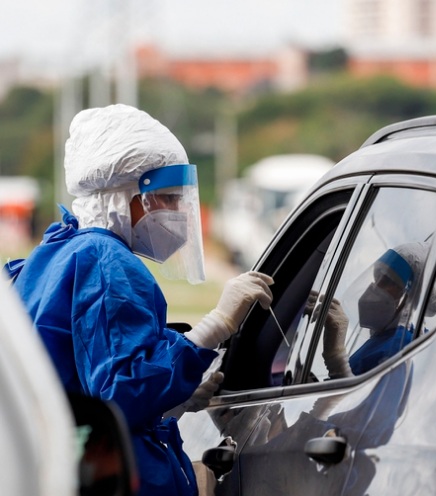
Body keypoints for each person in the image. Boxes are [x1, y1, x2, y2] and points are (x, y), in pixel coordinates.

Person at [4, 104, 273, 496]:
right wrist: (212, 328)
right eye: (165, 198)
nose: (179, 212)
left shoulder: (59, 251)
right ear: (123, 195)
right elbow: (122, 391)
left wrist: (174, 402)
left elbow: (85, 379)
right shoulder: (105, 260)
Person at [316, 241, 436, 378]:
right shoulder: (385, 338)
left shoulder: (404, 348)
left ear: (410, 296)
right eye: (378, 277)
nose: (376, 286)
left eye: (389, 281)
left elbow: (369, 401)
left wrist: (336, 358)